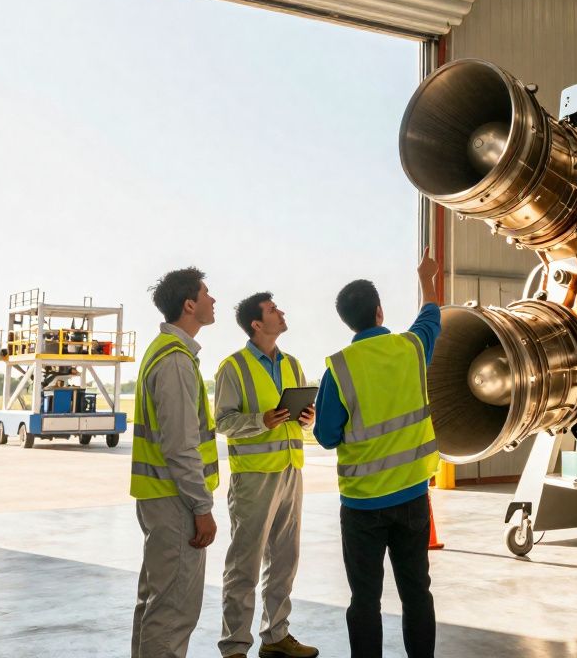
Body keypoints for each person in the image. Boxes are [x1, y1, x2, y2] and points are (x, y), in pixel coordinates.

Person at [314, 250, 442, 658]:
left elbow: (327, 436)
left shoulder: (339, 367)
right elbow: (431, 315)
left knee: (365, 600)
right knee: (416, 593)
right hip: (411, 496)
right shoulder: (410, 348)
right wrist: (426, 276)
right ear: (380, 312)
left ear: (347, 322)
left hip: (362, 505)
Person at [215, 292, 319, 658]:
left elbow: (303, 417)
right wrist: (262, 421)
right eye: (274, 310)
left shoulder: (292, 363)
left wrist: (308, 419)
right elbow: (223, 421)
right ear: (257, 324)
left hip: (291, 472)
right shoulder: (234, 367)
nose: (282, 312)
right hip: (254, 478)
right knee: (244, 563)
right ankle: (234, 646)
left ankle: (276, 635)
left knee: (285, 561)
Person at [131, 268, 221, 658]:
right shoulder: (175, 362)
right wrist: (202, 507)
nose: (213, 300)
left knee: (155, 603)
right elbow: (182, 447)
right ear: (189, 304)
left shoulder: (165, 352)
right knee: (173, 612)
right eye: (206, 293)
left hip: (160, 497)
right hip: (176, 502)